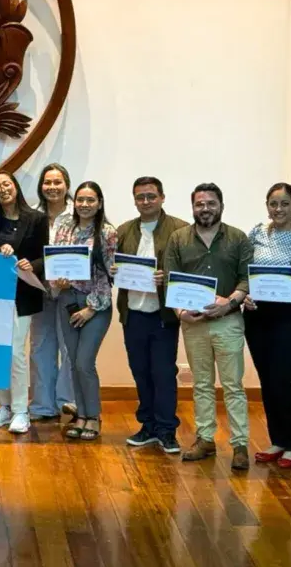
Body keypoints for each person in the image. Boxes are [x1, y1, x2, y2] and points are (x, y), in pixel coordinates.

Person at [164, 183, 252, 470]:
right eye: (199, 204)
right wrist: (180, 313)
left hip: (228, 321)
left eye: (211, 203)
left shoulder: (238, 238)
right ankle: (205, 439)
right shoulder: (178, 238)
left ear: (221, 206)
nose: (205, 208)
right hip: (194, 324)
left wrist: (230, 302)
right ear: (193, 207)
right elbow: (170, 279)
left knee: (233, 385)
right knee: (201, 384)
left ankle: (240, 445)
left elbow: (247, 278)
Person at [242, 183, 291, 468]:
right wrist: (245, 295)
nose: (279, 209)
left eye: (285, 203)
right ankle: (278, 440)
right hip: (258, 314)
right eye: (273, 204)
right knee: (267, 379)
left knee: (282, 378)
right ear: (267, 206)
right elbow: (245, 272)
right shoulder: (257, 233)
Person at [114, 176, 188, 454]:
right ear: (134, 200)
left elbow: (187, 271)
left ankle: (167, 430)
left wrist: (166, 278)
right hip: (133, 313)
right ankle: (147, 426)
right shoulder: (124, 230)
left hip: (163, 315)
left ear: (162, 197)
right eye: (140, 197)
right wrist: (114, 269)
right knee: (140, 371)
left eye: (151, 196)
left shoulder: (180, 230)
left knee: (164, 373)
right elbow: (111, 263)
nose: (145, 201)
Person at [0, 171, 49, 435]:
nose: (3, 189)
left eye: (6, 184)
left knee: (16, 353)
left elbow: (46, 255)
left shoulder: (36, 218)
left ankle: (21, 410)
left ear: (15, 187)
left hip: (24, 294)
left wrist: (32, 264)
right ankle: (4, 406)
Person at [50, 180, 117, 441]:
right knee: (73, 363)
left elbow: (108, 275)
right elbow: (55, 261)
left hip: (95, 305)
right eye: (80, 199)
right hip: (67, 301)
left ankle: (94, 417)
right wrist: (58, 281)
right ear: (74, 202)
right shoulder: (64, 226)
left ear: (99, 204)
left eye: (90, 200)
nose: (85, 204)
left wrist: (91, 308)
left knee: (84, 363)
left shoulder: (107, 233)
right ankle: (81, 415)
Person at [28, 163, 78, 421]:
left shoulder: (80, 211)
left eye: (58, 182)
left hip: (71, 292)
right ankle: (42, 405)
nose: (52, 187)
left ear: (66, 185)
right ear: (41, 186)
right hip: (41, 292)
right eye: (47, 182)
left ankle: (67, 402)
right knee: (40, 348)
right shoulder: (32, 214)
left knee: (70, 349)